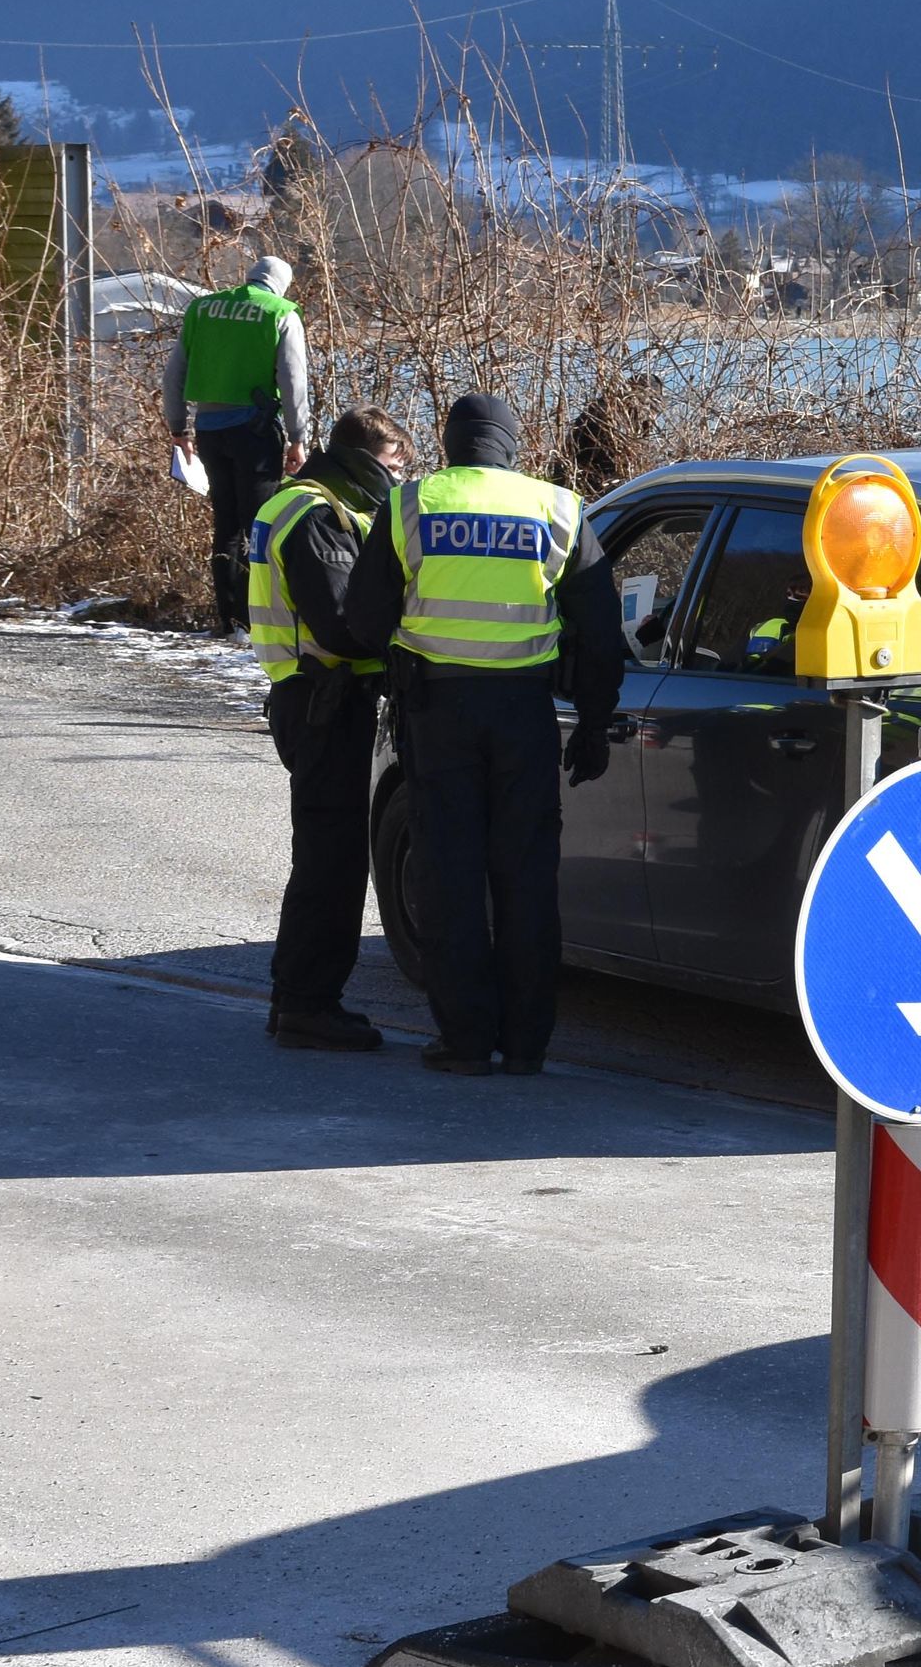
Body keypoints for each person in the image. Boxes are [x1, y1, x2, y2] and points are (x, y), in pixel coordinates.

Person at [341, 392, 620, 1077]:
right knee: (525, 877)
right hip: (524, 714)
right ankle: (526, 1043)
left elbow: (365, 622)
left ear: (449, 440)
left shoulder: (411, 505)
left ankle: (465, 1038)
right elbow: (603, 630)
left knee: (450, 874)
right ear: (510, 442)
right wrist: (592, 719)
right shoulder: (556, 508)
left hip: (439, 715)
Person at [248, 409, 411, 1052]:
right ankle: (309, 1004)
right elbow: (344, 623)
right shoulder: (318, 516)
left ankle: (296, 998)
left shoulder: (298, 505)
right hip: (326, 698)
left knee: (325, 852)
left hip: (310, 694)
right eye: (396, 468)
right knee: (331, 861)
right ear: (367, 460)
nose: (400, 481)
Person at [164, 248, 314, 630]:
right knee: (259, 526)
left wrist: (179, 428)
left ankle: (227, 618)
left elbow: (174, 374)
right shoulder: (282, 313)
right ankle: (257, 620)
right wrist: (299, 438)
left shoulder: (203, 309)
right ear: (281, 286)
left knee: (226, 525)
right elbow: (293, 381)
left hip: (210, 432)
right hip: (255, 432)